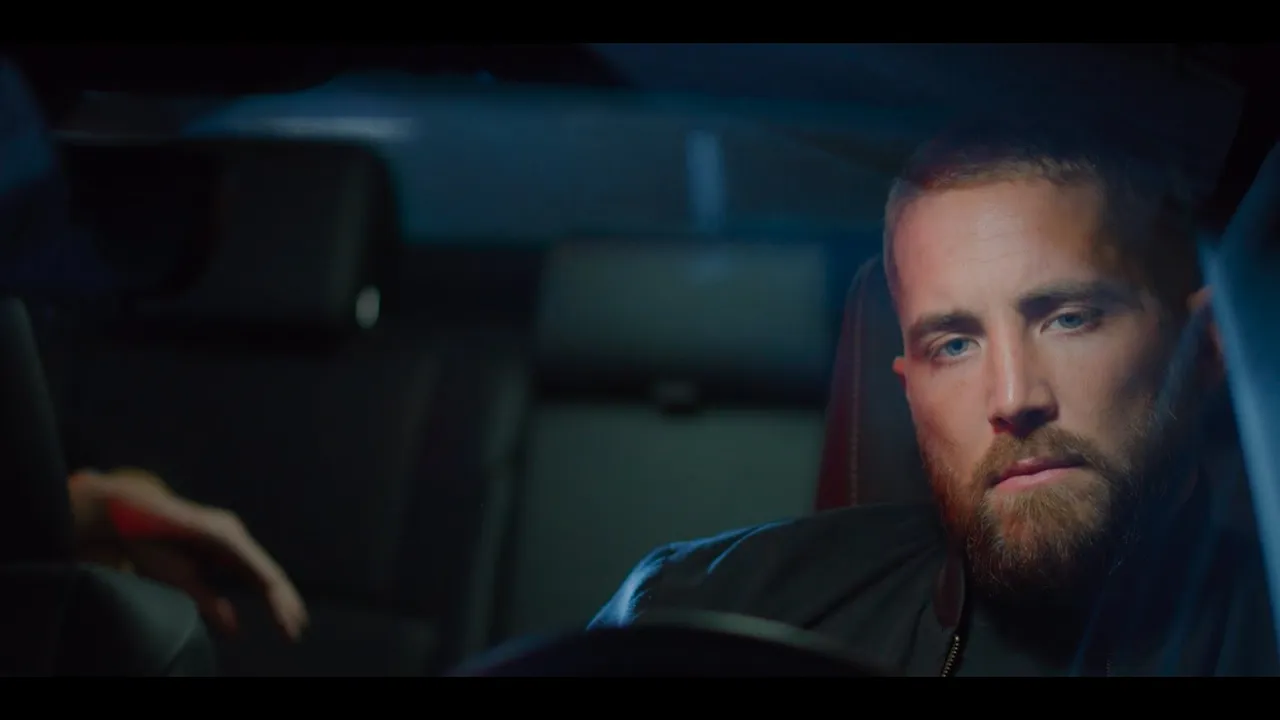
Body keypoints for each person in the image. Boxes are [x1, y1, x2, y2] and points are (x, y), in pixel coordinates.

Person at [591, 122, 1279, 676]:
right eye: (954, 345)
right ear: (911, 392)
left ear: (1207, 351)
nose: (1013, 397)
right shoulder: (704, 619)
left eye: (1069, 318)